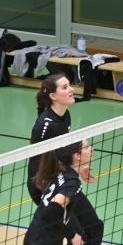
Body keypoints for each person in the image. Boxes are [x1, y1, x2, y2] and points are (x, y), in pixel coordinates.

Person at [23, 140, 106, 245]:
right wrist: (72, 234)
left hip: (33, 242)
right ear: (76, 156)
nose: (91, 149)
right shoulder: (71, 182)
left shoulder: (60, 171)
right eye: (87, 147)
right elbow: (51, 212)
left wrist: (80, 169)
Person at [28, 73, 76, 206]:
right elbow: (37, 162)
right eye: (65, 87)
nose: (71, 89)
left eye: (70, 85)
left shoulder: (65, 114)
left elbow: (63, 153)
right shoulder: (46, 125)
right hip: (43, 184)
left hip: (60, 178)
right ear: (53, 96)